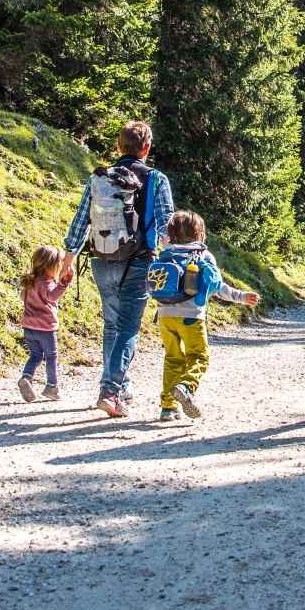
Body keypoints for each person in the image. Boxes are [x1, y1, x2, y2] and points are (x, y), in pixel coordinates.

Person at [64, 120, 173, 417]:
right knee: (127, 327)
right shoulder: (156, 179)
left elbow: (80, 220)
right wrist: (177, 258)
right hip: (139, 261)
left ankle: (117, 385)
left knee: (112, 325)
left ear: (118, 146)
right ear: (146, 148)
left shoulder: (100, 177)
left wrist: (68, 258)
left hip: (101, 258)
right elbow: (166, 225)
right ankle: (110, 391)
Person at [146, 211, 258, 422]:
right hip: (191, 318)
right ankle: (186, 387)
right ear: (200, 234)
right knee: (199, 357)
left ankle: (168, 407)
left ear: (170, 233)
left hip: (164, 315)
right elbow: (217, 286)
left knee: (172, 359)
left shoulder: (165, 254)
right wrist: (240, 297)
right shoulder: (202, 256)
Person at [17, 245, 75, 402]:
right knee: (51, 357)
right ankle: (52, 386)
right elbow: (52, 297)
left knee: (35, 355)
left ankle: (26, 378)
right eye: (59, 265)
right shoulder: (47, 283)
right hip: (46, 329)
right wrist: (64, 283)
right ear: (50, 266)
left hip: (29, 327)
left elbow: (23, 297)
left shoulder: (30, 282)